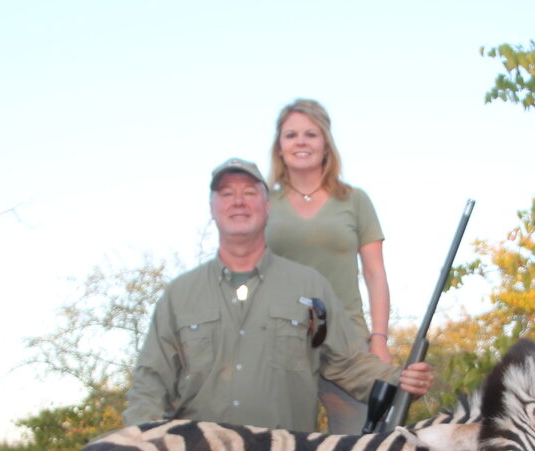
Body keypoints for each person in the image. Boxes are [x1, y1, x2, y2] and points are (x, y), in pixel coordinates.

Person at [123, 158, 432, 433]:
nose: (238, 202)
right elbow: (150, 384)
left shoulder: (311, 292)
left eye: (249, 193)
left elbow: (346, 363)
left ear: (268, 205)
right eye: (227, 194)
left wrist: (401, 379)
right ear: (212, 209)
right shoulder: (179, 296)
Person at [264, 99, 393, 434]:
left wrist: (378, 339)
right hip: (280, 342)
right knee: (283, 448)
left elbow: (375, 274)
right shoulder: (262, 203)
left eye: (311, 134)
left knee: (360, 444)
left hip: (347, 343)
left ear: (326, 144)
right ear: (279, 147)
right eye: (291, 135)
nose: (301, 142)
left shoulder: (355, 200)